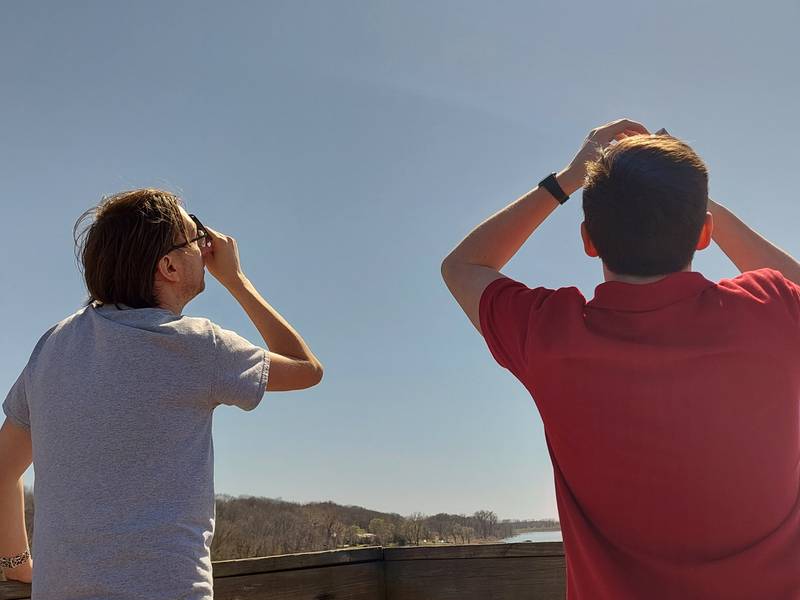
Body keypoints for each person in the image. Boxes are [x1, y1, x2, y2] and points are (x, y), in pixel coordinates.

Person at [441, 119, 800, 599]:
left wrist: (568, 179)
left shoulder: (551, 337)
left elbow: (462, 266)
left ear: (588, 241)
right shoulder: (774, 308)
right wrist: (685, 196)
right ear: (703, 234)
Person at [0, 189, 323, 598]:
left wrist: (18, 564)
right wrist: (236, 280)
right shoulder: (199, 346)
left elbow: (2, 470)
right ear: (168, 266)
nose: (207, 246)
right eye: (195, 236)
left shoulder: (53, 346)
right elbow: (307, 368)